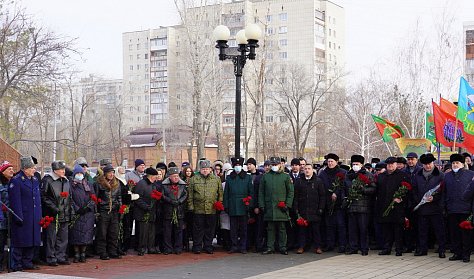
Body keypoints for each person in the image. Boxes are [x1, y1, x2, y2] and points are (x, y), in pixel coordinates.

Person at [9, 156, 42, 272]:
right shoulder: (16, 181)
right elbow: (15, 201)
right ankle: (16, 263)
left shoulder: (35, 180)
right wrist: (18, 216)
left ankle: (27, 261)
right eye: (32, 168)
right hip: (23, 216)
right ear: (25, 168)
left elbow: (38, 200)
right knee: (20, 241)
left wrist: (40, 216)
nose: (34, 170)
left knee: (32, 240)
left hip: (34, 216)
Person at [412, 153, 446, 258]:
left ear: (433, 163)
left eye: (430, 163)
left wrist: (434, 198)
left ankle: (441, 250)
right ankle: (423, 249)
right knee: (422, 230)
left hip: (435, 208)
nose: (428, 166)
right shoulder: (417, 175)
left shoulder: (440, 175)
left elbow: (443, 191)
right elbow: (414, 190)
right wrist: (419, 200)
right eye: (425, 164)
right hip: (422, 207)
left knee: (439, 230)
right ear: (422, 165)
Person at [259, 156, 294, 255]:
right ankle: (270, 247)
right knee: (270, 228)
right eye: (272, 165)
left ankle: (282, 247)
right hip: (269, 207)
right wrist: (262, 205)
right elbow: (261, 192)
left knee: (282, 228)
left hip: (281, 207)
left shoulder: (285, 176)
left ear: (280, 165)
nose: (274, 166)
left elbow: (290, 191)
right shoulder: (266, 176)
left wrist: (287, 204)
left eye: (276, 164)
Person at [375, 157, 409, 256]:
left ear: (396, 164)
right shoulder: (381, 176)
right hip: (384, 206)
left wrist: (401, 199)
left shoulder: (402, 175)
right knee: (386, 229)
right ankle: (387, 248)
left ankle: (399, 249)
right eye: (388, 164)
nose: (390, 165)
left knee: (398, 229)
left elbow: (408, 190)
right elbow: (377, 190)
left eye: (392, 163)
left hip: (397, 207)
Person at [188, 159, 223, 254]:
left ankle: (208, 246)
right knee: (198, 230)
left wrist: (219, 204)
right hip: (198, 209)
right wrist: (190, 206)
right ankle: (197, 246)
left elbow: (220, 194)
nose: (205, 170)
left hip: (211, 209)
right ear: (200, 169)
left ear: (210, 169)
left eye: (207, 169)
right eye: (203, 169)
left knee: (210, 229)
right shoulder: (193, 179)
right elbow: (190, 195)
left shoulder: (216, 180)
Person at [41, 160, 72, 266]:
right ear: (55, 170)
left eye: (64, 169)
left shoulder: (66, 180)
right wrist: (54, 208)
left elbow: (69, 197)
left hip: (64, 212)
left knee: (63, 237)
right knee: (51, 237)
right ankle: (51, 257)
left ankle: (61, 256)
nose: (64, 171)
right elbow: (44, 196)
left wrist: (69, 210)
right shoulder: (47, 180)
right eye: (61, 169)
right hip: (52, 214)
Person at [345, 155, 376, 256]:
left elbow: (373, 189)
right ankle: (353, 247)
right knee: (352, 229)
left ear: (361, 164)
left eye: (357, 164)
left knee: (363, 229)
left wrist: (363, 190)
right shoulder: (348, 175)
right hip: (351, 206)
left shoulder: (368, 175)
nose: (355, 166)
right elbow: (343, 188)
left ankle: (364, 248)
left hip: (363, 206)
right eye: (353, 164)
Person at [294, 163, 325, 254]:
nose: (307, 170)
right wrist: (296, 209)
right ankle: (301, 246)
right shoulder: (299, 181)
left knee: (316, 230)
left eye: (309, 168)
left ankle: (318, 247)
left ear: (312, 170)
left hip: (315, 210)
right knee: (302, 231)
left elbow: (322, 196)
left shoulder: (318, 181)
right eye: (305, 169)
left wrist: (321, 208)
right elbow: (295, 197)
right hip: (303, 210)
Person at [224, 157, 253, 254]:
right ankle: (234, 245)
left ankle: (243, 246)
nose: (237, 167)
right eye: (236, 165)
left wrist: (249, 204)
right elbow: (226, 194)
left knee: (243, 228)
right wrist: (226, 206)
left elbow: (251, 192)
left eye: (239, 165)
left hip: (243, 206)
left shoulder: (247, 177)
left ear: (242, 166)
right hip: (232, 205)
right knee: (233, 228)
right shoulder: (229, 177)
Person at [319, 153, 347, 253]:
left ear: (336, 162)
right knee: (329, 225)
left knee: (340, 224)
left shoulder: (343, 172)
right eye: (328, 161)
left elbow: (344, 186)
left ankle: (342, 245)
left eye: (332, 161)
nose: (330, 163)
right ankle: (329, 244)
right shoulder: (323, 173)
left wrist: (336, 193)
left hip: (339, 203)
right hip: (327, 202)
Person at [449, 154, 474, 262]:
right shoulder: (447, 176)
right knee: (455, 233)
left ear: (462, 164)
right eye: (453, 163)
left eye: (457, 163)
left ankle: (466, 254)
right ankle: (457, 253)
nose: (455, 165)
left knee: (466, 234)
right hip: (452, 208)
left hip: (466, 209)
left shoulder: (470, 175)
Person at [69, 165, 96, 263]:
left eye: (81, 173)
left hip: (87, 213)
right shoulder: (71, 185)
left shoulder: (88, 184)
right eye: (78, 173)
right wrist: (77, 209)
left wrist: (88, 207)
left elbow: (93, 197)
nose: (79, 175)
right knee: (76, 234)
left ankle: (83, 253)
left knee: (86, 234)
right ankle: (76, 254)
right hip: (77, 213)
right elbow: (70, 199)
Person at [94, 164, 122, 260]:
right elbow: (95, 198)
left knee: (114, 232)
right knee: (102, 233)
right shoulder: (99, 183)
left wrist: (120, 207)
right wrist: (97, 212)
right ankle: (102, 252)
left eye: (113, 172)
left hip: (114, 211)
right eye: (109, 172)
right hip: (103, 211)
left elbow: (119, 196)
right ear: (105, 173)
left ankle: (112, 251)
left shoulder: (117, 183)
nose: (111, 174)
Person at [133, 167, 160, 256]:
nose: (157, 177)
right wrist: (146, 206)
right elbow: (137, 197)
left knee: (151, 231)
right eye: (155, 176)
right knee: (143, 232)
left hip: (151, 211)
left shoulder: (154, 185)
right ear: (151, 176)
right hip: (142, 212)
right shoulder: (141, 184)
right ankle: (142, 248)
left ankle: (150, 247)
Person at [161, 167, 188, 255]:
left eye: (177, 176)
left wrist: (179, 201)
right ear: (169, 177)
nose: (176, 178)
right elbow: (162, 196)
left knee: (179, 231)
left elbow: (185, 195)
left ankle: (178, 248)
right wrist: (170, 201)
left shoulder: (183, 185)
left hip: (179, 210)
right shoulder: (164, 185)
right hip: (168, 210)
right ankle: (167, 248)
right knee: (167, 231)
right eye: (174, 176)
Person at [246, 157, 265, 252]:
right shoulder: (245, 175)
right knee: (249, 226)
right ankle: (249, 244)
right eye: (247, 164)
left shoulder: (259, 176)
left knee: (258, 226)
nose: (248, 166)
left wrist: (256, 205)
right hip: (247, 204)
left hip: (256, 204)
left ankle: (258, 245)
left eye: (250, 164)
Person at [0, 161, 14, 272]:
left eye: (12, 169)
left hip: (10, 218)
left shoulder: (12, 183)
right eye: (9, 169)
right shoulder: (1, 184)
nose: (12, 171)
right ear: (3, 171)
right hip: (2, 219)